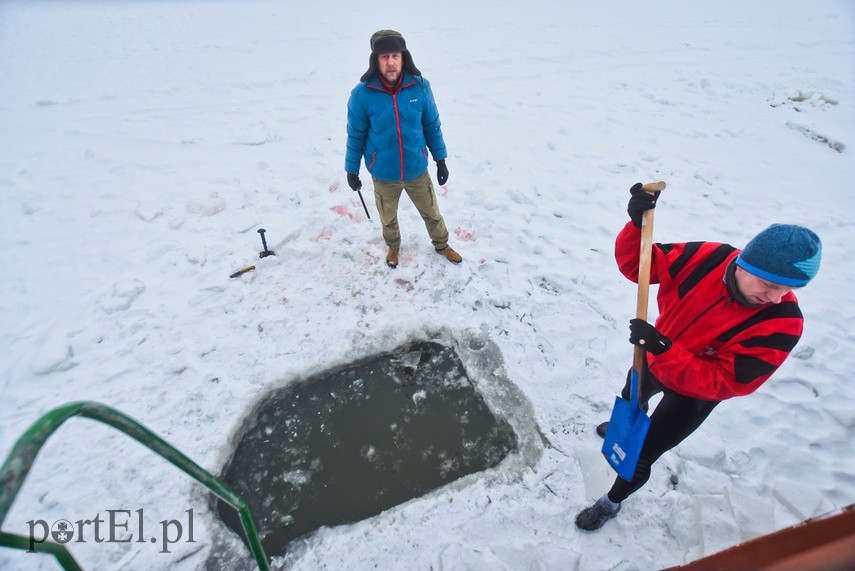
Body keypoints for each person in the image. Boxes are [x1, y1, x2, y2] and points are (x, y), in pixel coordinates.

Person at [575, 183, 822, 531]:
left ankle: (611, 501)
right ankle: (622, 429)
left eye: (788, 289)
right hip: (655, 358)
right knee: (632, 400)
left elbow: (726, 381)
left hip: (695, 393)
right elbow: (641, 266)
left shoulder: (782, 323)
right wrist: (636, 227)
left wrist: (664, 348)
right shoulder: (708, 258)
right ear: (742, 263)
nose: (776, 298)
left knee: (642, 454)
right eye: (769, 285)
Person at [345, 29, 461, 269]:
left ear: (403, 57)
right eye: (384, 56)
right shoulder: (362, 94)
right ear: (375, 60)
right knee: (387, 218)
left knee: (432, 212)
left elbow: (431, 125)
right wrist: (351, 170)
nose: (390, 62)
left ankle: (442, 244)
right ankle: (393, 247)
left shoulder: (419, 86)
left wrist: (440, 159)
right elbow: (355, 135)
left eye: (395, 56)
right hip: (384, 173)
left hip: (416, 168)